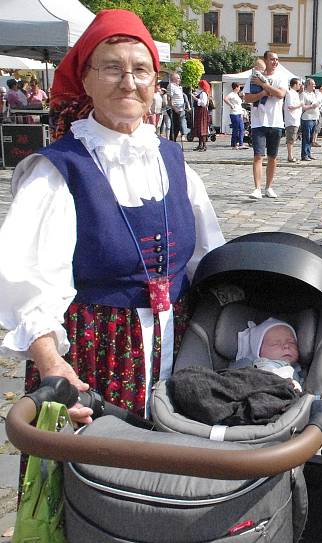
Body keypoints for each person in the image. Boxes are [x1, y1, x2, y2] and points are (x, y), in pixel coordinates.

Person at [0, 9, 225, 423]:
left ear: (154, 83)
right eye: (112, 68)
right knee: (97, 473)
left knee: (168, 470)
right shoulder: (58, 169)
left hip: (177, 342)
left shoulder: (173, 161)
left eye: (141, 70)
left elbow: (210, 257)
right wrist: (52, 363)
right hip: (94, 351)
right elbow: (27, 278)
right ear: (85, 78)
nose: (128, 81)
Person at [244, 51, 287, 199]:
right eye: (272, 59)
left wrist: (263, 85)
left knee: (272, 156)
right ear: (265, 60)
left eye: (277, 59)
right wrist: (262, 94)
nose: (275, 62)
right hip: (258, 122)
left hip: (275, 122)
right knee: (257, 155)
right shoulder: (252, 78)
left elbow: (280, 94)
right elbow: (247, 98)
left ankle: (269, 187)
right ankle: (257, 188)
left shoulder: (281, 78)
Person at [235, 318, 304, 391]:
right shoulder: (263, 364)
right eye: (275, 344)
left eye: (291, 342)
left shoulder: (299, 369)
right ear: (259, 351)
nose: (286, 346)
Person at [299, 78, 322, 161]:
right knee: (306, 137)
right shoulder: (303, 94)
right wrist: (311, 106)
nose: (314, 86)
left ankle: (308, 153)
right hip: (307, 118)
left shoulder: (313, 94)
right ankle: (304, 155)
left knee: (311, 137)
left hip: (314, 118)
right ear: (308, 85)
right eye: (313, 84)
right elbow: (302, 106)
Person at [283, 78, 302, 161]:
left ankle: (291, 155)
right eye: (299, 84)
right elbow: (290, 107)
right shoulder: (290, 93)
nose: (300, 86)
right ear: (294, 85)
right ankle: (290, 156)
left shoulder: (295, 93)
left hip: (295, 119)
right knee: (291, 139)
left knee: (293, 138)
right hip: (291, 119)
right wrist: (300, 105)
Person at [167, 71, 188, 141]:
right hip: (173, 109)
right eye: (178, 78)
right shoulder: (171, 86)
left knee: (178, 126)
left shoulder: (178, 87)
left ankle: (174, 140)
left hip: (180, 109)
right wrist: (175, 108)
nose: (180, 79)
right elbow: (169, 99)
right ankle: (172, 141)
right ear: (173, 78)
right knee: (175, 126)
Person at [224, 82, 246, 150]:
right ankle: (234, 144)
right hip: (234, 113)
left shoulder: (237, 95)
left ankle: (241, 143)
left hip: (239, 113)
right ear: (236, 87)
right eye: (239, 87)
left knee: (241, 128)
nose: (239, 88)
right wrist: (231, 105)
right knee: (236, 129)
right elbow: (225, 98)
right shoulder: (232, 94)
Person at [192, 80, 211, 152]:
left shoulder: (203, 93)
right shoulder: (201, 92)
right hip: (199, 111)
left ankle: (204, 145)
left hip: (202, 111)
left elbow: (203, 103)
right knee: (199, 128)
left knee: (202, 128)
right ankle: (200, 145)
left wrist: (195, 99)